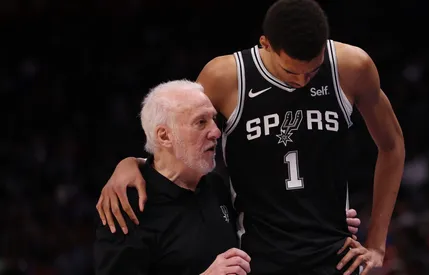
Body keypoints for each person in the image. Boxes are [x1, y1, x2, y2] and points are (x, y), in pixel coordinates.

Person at [96, 0, 405, 274]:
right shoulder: (225, 77)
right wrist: (132, 162)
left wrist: (377, 243)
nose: (301, 82)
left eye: (312, 72)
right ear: (265, 44)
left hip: (335, 254)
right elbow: (182, 139)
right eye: (291, 72)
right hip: (257, 256)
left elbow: (391, 146)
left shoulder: (352, 67)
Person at [94, 80, 252, 275]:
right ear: (164, 136)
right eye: (201, 122)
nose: (216, 132)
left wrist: (130, 161)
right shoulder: (127, 206)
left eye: (213, 119)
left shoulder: (216, 186)